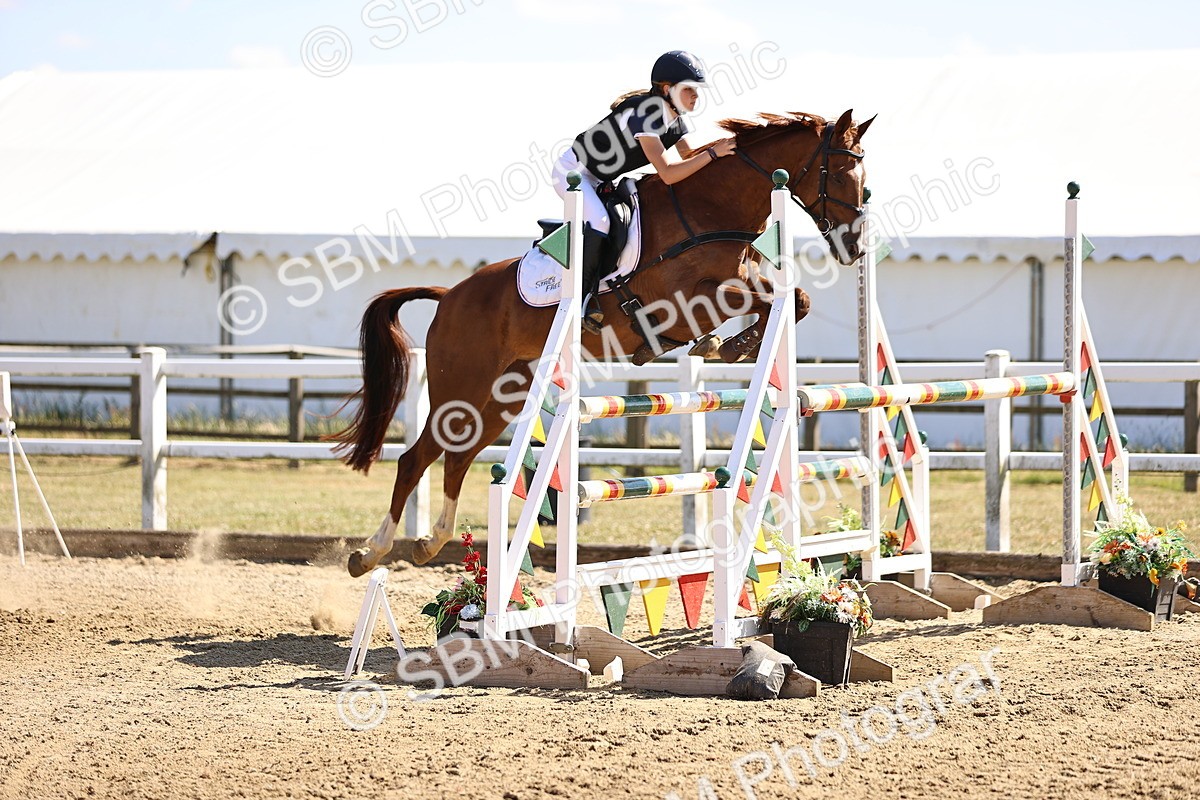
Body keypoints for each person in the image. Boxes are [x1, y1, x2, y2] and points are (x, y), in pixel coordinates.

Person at [552, 50, 737, 334]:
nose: (695, 96)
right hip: (572, 174)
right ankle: (581, 299)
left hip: (600, 178)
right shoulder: (646, 112)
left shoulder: (676, 120)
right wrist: (713, 153)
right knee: (600, 222)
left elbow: (689, 160)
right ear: (667, 89)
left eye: (696, 90)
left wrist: (729, 156)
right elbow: (668, 173)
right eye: (689, 89)